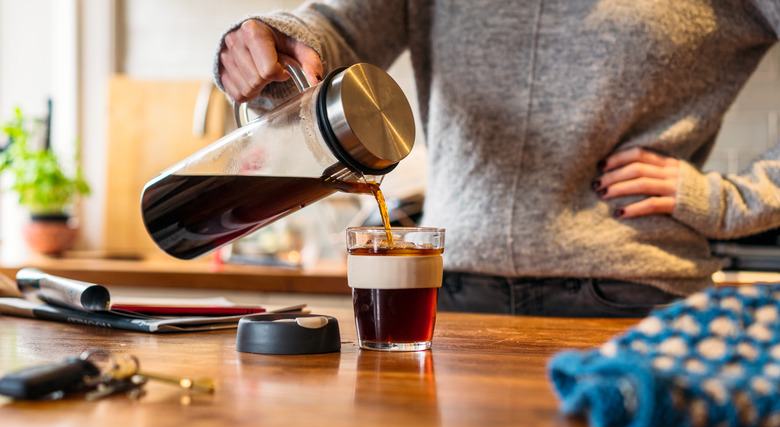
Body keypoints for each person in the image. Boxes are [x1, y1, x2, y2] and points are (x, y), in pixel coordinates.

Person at [214, 0, 780, 317]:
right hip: (452, 292)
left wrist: (731, 202)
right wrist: (276, 42)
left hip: (631, 295)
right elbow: (335, 30)